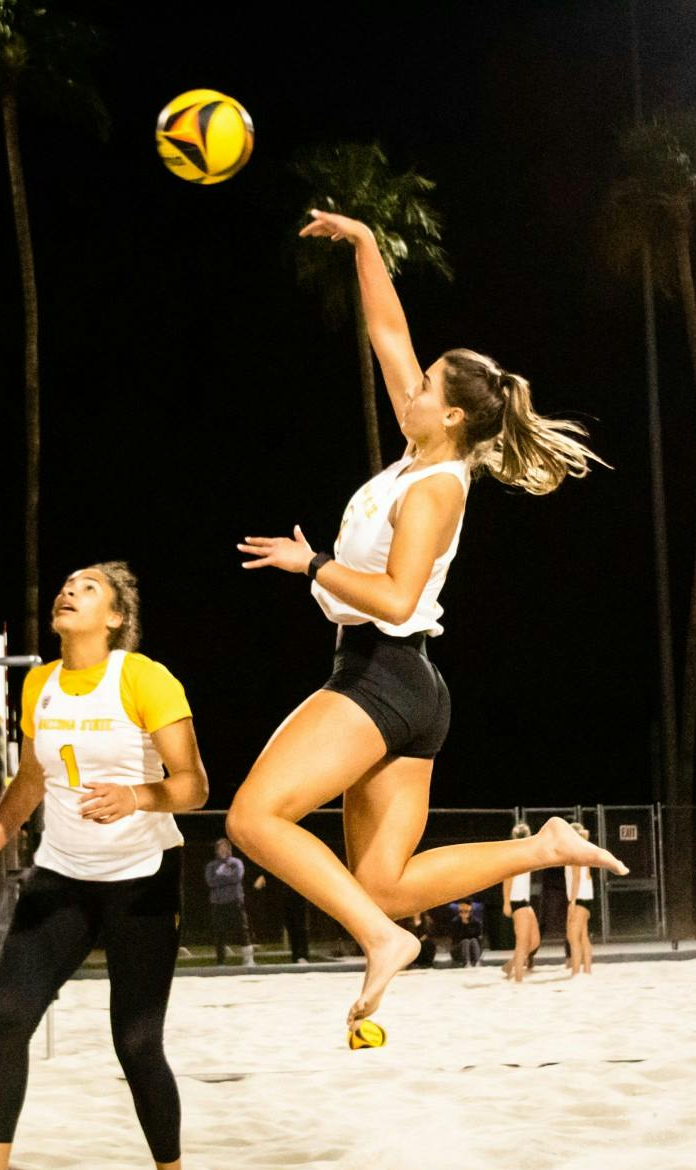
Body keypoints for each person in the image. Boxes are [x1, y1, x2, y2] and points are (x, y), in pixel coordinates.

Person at [229, 207, 626, 1034]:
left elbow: (401, 598)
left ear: (449, 415)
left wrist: (313, 566)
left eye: (424, 386)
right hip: (408, 685)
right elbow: (387, 332)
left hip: (384, 669)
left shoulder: (437, 487)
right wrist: (368, 245)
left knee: (252, 818)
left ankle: (381, 941)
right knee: (383, 878)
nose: (409, 386)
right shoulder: (423, 454)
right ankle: (540, 847)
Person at [0, 563, 209, 1170]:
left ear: (116, 617)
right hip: (63, 874)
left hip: (143, 877)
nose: (70, 591)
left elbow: (194, 786)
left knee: (136, 1042)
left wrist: (135, 795)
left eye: (88, 586)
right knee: (6, 1022)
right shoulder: (39, 682)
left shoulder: (144, 679)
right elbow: (31, 781)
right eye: (67, 584)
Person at [203, 838, 255, 967]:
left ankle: (248, 960)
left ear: (230, 849)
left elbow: (237, 877)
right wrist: (226, 878)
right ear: (216, 850)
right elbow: (210, 881)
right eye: (220, 848)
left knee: (242, 929)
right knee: (219, 932)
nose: (223, 850)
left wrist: (220, 879)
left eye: (225, 847)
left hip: (235, 900)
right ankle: (221, 961)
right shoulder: (211, 865)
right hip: (218, 902)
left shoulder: (236, 863)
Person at [502, 822, 540, 982]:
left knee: (534, 942)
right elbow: (507, 879)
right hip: (517, 902)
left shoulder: (526, 855)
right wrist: (506, 903)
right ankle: (518, 979)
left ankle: (510, 966)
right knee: (522, 943)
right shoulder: (514, 855)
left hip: (525, 902)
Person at [565, 823, 596, 976]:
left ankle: (576, 972)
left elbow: (576, 879)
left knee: (573, 937)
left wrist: (572, 901)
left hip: (579, 898)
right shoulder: (583, 850)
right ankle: (587, 970)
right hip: (585, 897)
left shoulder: (575, 853)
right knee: (582, 936)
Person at [450, 901, 485, 968]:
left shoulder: (476, 922)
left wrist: (467, 925)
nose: (463, 914)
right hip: (459, 949)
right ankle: (466, 962)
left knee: (473, 940)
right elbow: (456, 937)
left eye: (466, 911)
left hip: (473, 948)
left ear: (470, 912)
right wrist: (463, 925)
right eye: (461, 911)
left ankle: (477, 961)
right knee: (465, 941)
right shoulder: (455, 922)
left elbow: (477, 936)